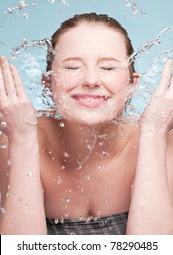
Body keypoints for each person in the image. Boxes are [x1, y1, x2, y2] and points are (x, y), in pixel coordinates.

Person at [0, 13, 173, 235]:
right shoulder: (12, 141)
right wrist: (22, 139)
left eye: (109, 68)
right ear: (48, 82)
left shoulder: (163, 143)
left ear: (132, 83)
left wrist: (153, 132)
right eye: (72, 67)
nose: (91, 80)